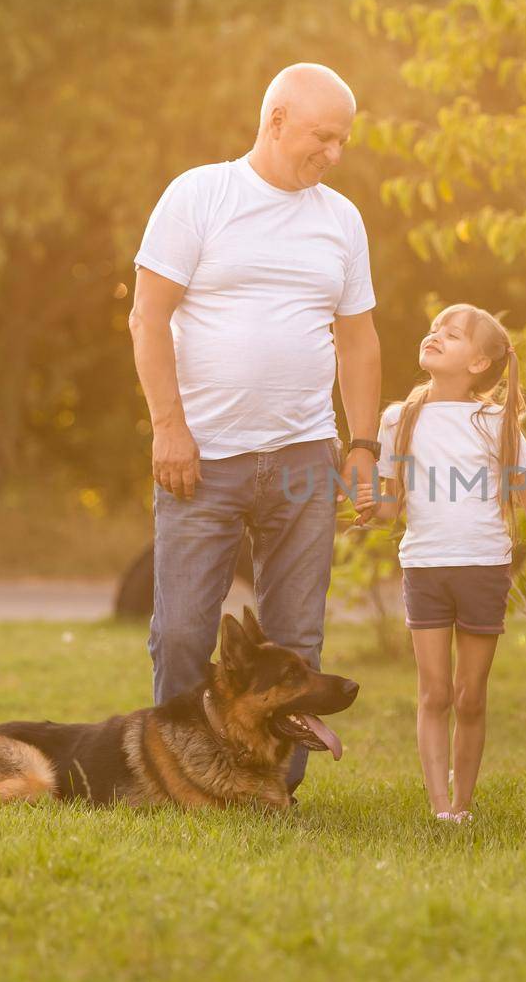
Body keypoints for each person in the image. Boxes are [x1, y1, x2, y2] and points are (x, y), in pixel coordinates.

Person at [128, 63, 382, 797]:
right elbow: (148, 317)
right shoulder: (199, 196)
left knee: (297, 636)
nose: (334, 153)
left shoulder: (341, 219)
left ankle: (275, 788)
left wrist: (362, 446)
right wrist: (167, 426)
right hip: (202, 456)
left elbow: (359, 340)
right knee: (181, 632)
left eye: (343, 141)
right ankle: (181, 780)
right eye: (322, 136)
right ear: (275, 121)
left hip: (305, 457)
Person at [358, 305, 526, 822]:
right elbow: (393, 508)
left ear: (481, 362)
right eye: (435, 328)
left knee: (470, 698)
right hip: (425, 568)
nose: (435, 335)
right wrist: (370, 506)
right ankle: (444, 812)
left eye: (452, 334)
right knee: (435, 692)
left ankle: (465, 802)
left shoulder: (494, 422)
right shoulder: (400, 418)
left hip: (483, 568)